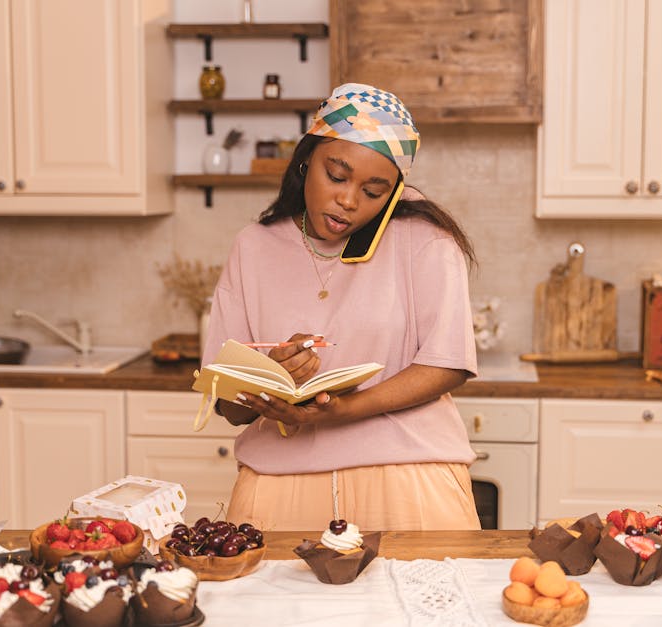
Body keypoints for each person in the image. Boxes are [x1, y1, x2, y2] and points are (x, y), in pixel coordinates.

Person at [201, 83, 481, 531]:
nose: (350, 201)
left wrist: (344, 411)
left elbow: (447, 364)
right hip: (277, 483)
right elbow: (231, 409)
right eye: (337, 176)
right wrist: (271, 378)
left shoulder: (425, 241)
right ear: (306, 160)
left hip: (409, 477)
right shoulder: (252, 248)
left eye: (374, 191)